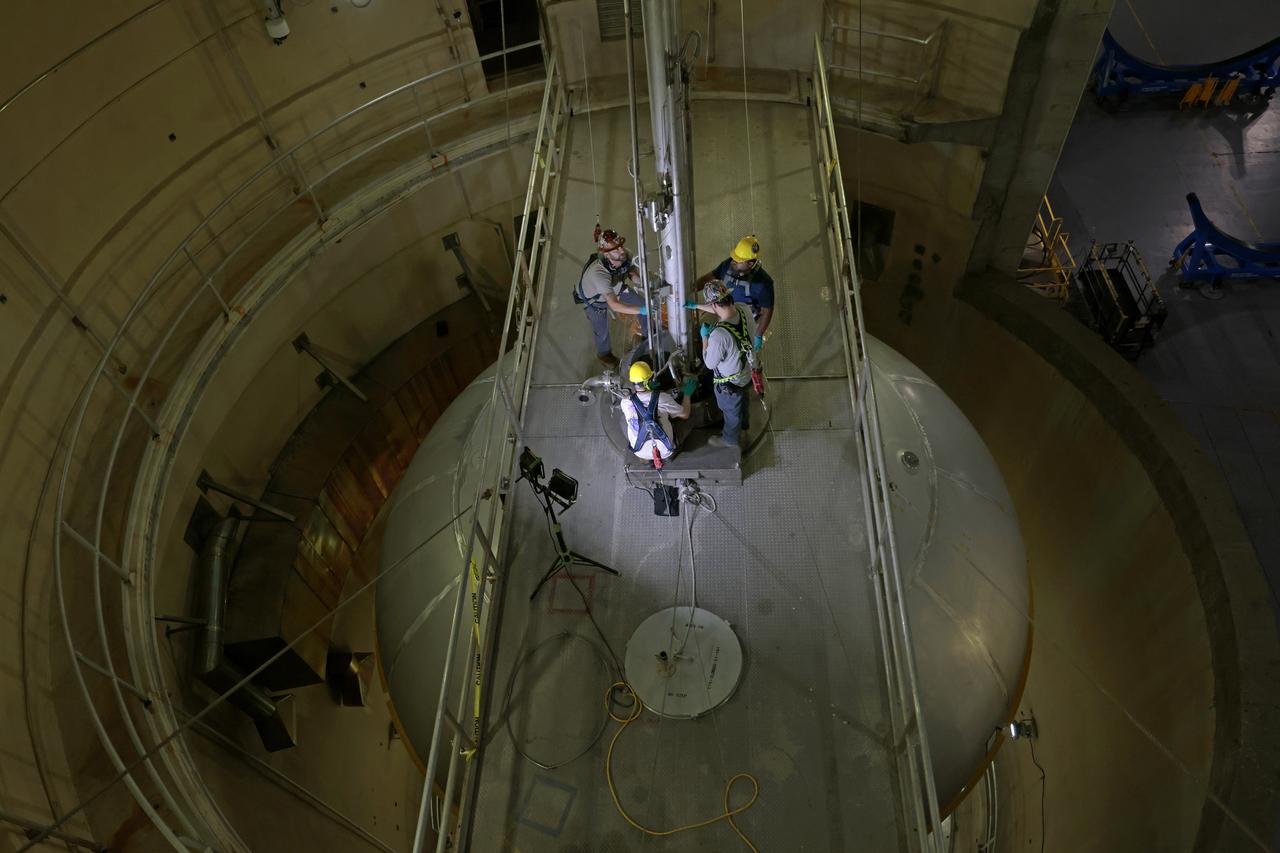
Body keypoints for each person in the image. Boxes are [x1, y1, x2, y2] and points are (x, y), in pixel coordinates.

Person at [575, 227, 650, 368]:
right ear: (606, 254)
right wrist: (641, 310)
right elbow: (614, 305)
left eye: (620, 246)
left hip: (616, 287)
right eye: (616, 250)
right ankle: (605, 355)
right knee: (602, 332)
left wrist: (643, 283)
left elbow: (631, 271)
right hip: (595, 302)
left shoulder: (624, 254)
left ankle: (648, 335)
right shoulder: (598, 273)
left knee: (641, 302)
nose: (621, 251)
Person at [694, 281, 754, 448]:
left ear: (713, 304)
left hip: (730, 383)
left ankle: (730, 439)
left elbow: (710, 363)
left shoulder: (719, 335)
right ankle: (745, 424)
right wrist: (696, 306)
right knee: (744, 400)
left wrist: (705, 337)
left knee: (731, 411)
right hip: (747, 371)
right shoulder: (744, 309)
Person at [691, 234, 775, 352]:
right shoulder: (729, 265)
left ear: (750, 263)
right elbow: (710, 276)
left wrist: (758, 335)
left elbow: (767, 311)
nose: (733, 261)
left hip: (743, 321)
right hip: (725, 309)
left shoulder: (763, 284)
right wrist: (692, 288)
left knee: (734, 350)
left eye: (738, 260)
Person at [620, 357, 693, 463]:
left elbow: (643, 400)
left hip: (638, 450)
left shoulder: (625, 402)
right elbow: (685, 414)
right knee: (690, 418)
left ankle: (644, 458)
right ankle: (670, 455)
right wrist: (687, 393)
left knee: (624, 419)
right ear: (648, 381)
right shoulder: (662, 398)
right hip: (665, 451)